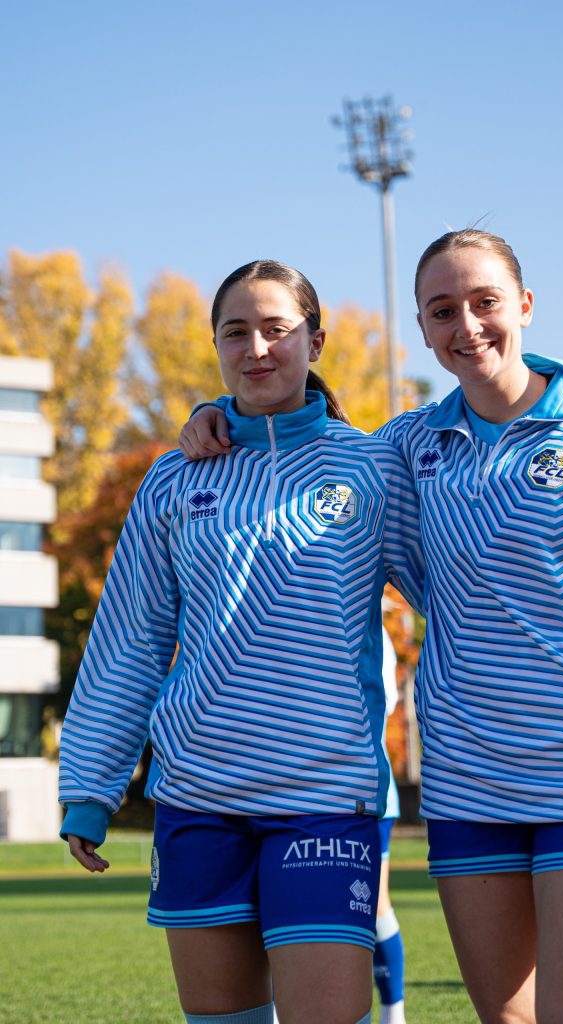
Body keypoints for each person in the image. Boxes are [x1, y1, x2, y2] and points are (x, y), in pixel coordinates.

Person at [179, 229, 563, 1024]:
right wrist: (218, 416)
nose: (466, 326)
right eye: (442, 311)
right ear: (424, 329)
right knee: (505, 1018)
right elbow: (307, 450)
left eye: (484, 302)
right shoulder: (408, 446)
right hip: (467, 780)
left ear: (524, 305)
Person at [58, 259, 424, 1024]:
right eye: (236, 331)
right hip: (198, 800)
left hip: (327, 798)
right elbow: (130, 642)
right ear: (217, 345)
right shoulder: (174, 479)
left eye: (277, 329)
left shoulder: (373, 468)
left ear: (314, 343)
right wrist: (91, 788)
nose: (256, 347)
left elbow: (457, 603)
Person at [373, 628, 407, 1024]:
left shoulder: (376, 633)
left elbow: (383, 702)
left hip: (370, 795)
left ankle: (393, 1014)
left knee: (374, 905)